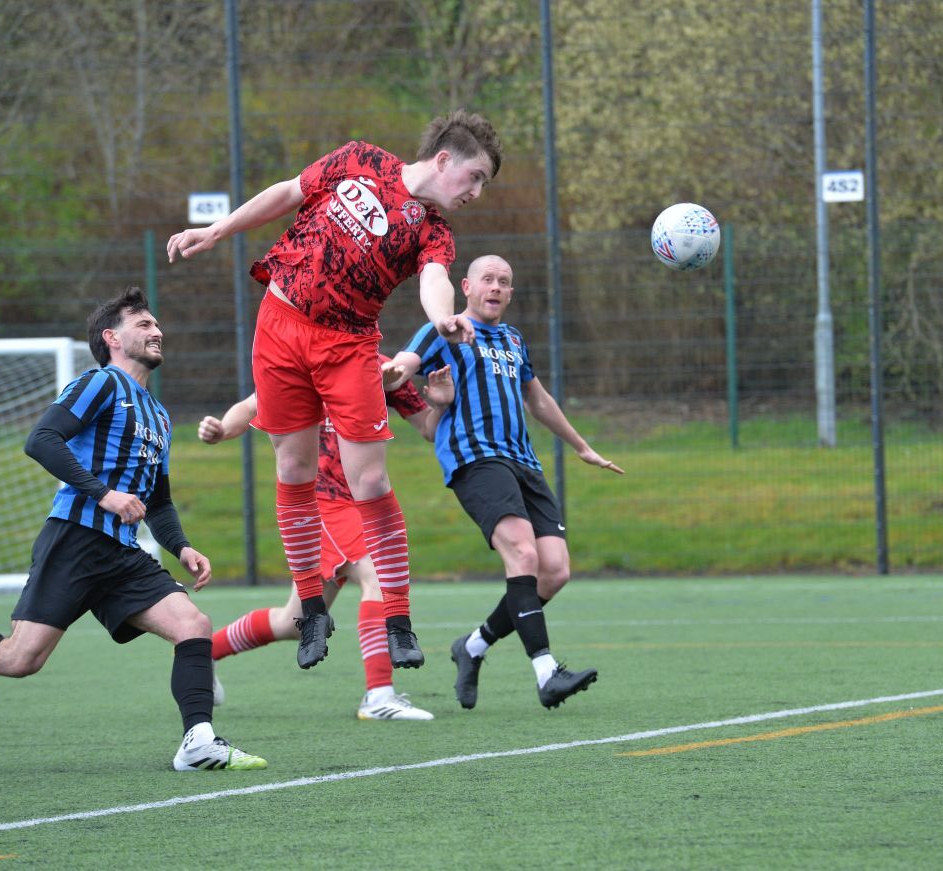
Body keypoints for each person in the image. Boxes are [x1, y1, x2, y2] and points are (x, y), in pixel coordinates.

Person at [167, 110, 502, 671]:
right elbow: (286, 192)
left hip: (347, 347)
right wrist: (217, 230)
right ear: (444, 159)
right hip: (280, 325)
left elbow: (434, 279)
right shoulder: (359, 158)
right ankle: (311, 613)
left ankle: (398, 621)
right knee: (293, 469)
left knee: (370, 479)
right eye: (475, 177)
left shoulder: (433, 230)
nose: (476, 192)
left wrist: (442, 319)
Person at [0, 287, 266, 771]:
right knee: (19, 660)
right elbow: (42, 439)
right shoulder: (101, 383)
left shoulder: (159, 415)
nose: (157, 331)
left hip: (122, 554)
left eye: (156, 323)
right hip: (74, 539)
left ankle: (198, 742)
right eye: (144, 324)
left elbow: (158, 501)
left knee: (192, 625)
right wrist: (104, 494)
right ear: (112, 338)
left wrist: (182, 547)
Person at [385, 255, 624, 710]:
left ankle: (472, 646)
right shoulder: (442, 330)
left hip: (523, 461)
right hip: (475, 458)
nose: (496, 287)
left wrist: (581, 447)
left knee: (554, 571)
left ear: (511, 293)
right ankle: (547, 673)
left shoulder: (513, 338)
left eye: (504, 282)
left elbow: (538, 398)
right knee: (523, 552)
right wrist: (392, 376)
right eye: (488, 279)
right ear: (467, 287)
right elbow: (401, 368)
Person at [198, 360, 454, 720]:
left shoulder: (382, 368)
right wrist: (222, 429)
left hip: (362, 503)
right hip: (322, 503)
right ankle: (379, 696)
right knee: (379, 578)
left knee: (292, 621)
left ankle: (204, 652)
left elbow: (428, 428)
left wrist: (440, 405)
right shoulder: (304, 362)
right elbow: (252, 404)